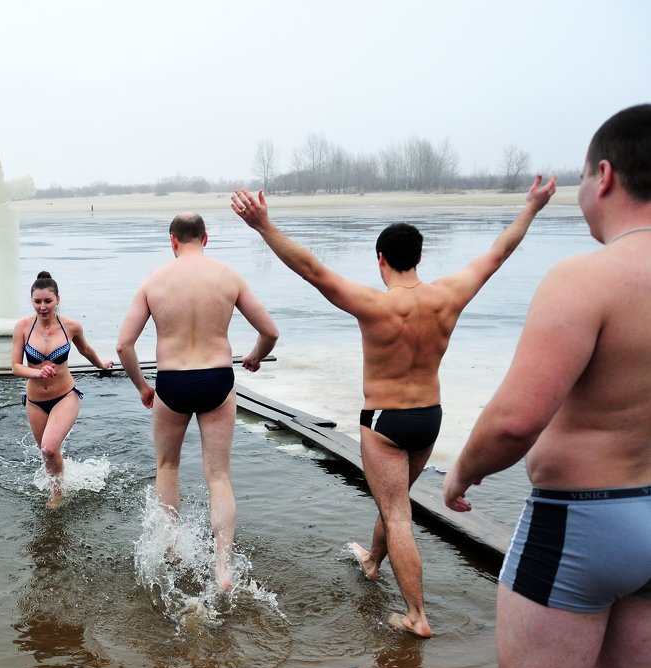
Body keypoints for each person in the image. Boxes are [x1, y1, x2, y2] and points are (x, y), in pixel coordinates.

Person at [232, 175, 555, 636]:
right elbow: (499, 252)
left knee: (398, 514)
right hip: (430, 418)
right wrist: (532, 208)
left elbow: (311, 268)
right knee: (395, 503)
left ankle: (417, 616)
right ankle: (373, 560)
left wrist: (264, 227)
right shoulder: (450, 295)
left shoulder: (373, 306)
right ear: (419, 258)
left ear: (380, 259)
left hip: (385, 421)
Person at [443, 105, 651, 668]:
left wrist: (463, 469)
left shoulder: (586, 278)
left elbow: (514, 420)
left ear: (603, 174)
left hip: (580, 522)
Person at [116, 213, 279, 589]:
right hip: (217, 378)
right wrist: (254, 355)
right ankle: (223, 567)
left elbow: (124, 345)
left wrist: (142, 386)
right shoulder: (228, 276)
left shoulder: (154, 282)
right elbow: (270, 331)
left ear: (172, 240)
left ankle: (172, 549)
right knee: (219, 476)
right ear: (206, 238)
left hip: (172, 381)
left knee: (167, 466)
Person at [11, 271, 114, 508]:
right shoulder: (23, 327)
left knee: (48, 447)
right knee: (47, 453)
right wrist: (37, 372)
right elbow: (16, 366)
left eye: (47, 301)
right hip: (35, 401)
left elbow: (86, 350)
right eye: (37, 302)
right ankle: (59, 481)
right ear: (32, 302)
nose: (42, 307)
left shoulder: (71, 326)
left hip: (65, 396)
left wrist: (101, 365)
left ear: (57, 299)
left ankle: (57, 495)